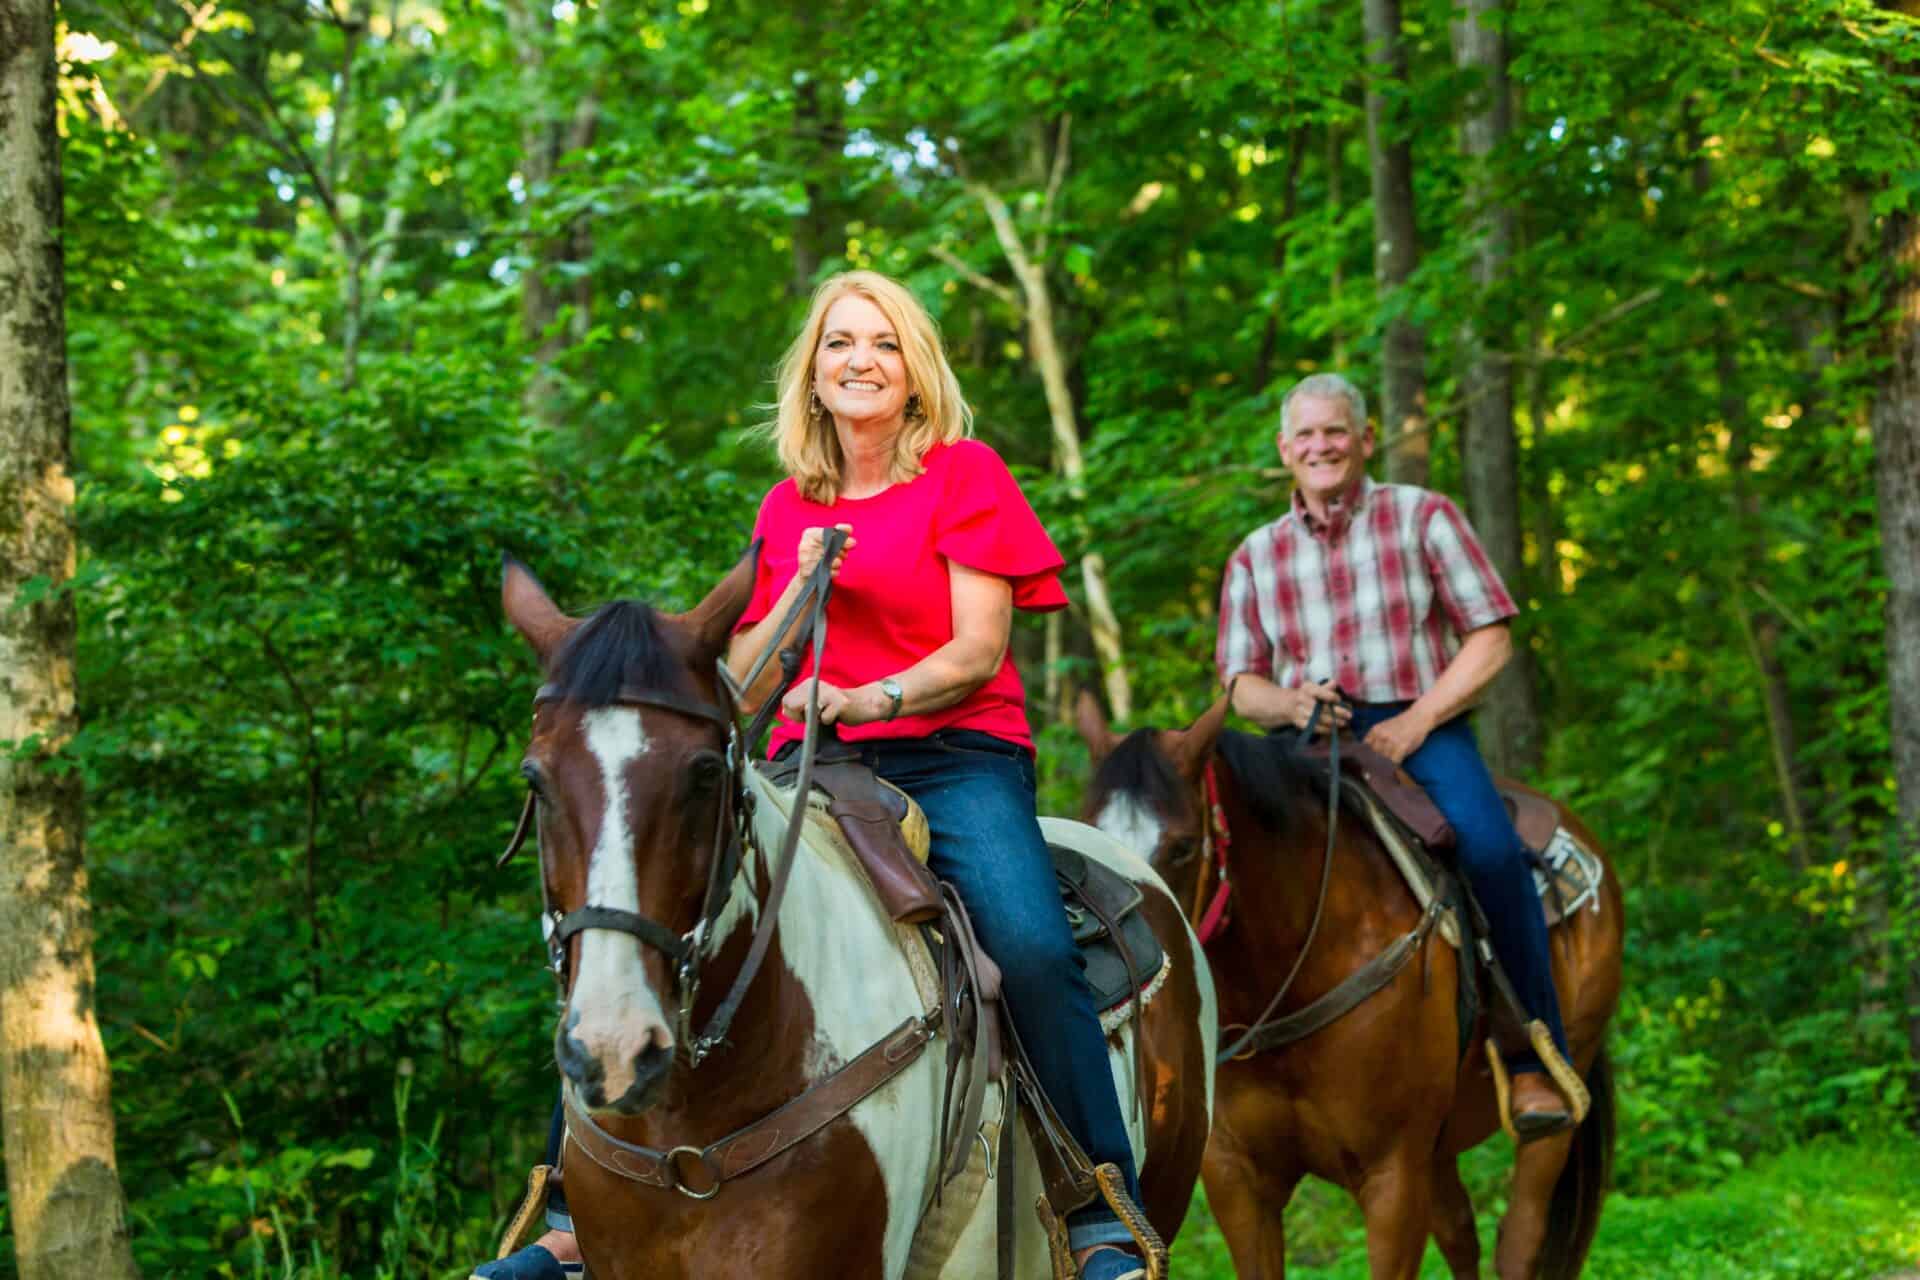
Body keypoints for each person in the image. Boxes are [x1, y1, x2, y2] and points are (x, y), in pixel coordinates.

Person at [478, 270, 1151, 1280]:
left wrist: (866, 697)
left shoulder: (963, 474)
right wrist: (784, 599)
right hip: (812, 761)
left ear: (914, 372)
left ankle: (1098, 1199)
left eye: (881, 343)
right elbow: (747, 676)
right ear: (814, 374)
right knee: (643, 903)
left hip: (955, 753)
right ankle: (570, 1210)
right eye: (839, 344)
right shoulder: (789, 504)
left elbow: (976, 647)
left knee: (1028, 940)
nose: (860, 360)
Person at [1214, 371, 1575, 1139]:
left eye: (1335, 431)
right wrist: (1292, 703)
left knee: (1488, 850)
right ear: (1284, 450)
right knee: (1233, 861)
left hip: (1420, 726)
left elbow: (1491, 636)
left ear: (1365, 439)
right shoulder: (1255, 554)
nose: (1321, 447)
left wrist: (1419, 721)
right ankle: (1238, 1057)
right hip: (1306, 739)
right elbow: (1242, 686)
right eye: (1305, 436)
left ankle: (1530, 1057)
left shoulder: (1424, 517)